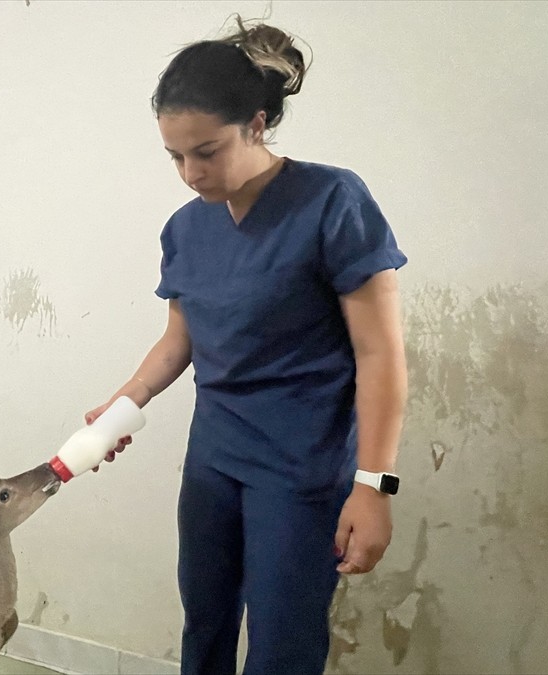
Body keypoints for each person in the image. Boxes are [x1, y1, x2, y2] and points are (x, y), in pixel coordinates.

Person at [83, 16, 409, 675]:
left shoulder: (332, 200)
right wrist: (124, 402)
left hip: (300, 466)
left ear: (257, 124)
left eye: (206, 150)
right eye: (175, 155)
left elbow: (381, 355)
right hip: (213, 458)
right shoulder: (185, 227)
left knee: (282, 647)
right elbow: (181, 338)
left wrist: (373, 486)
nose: (190, 171)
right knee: (204, 625)